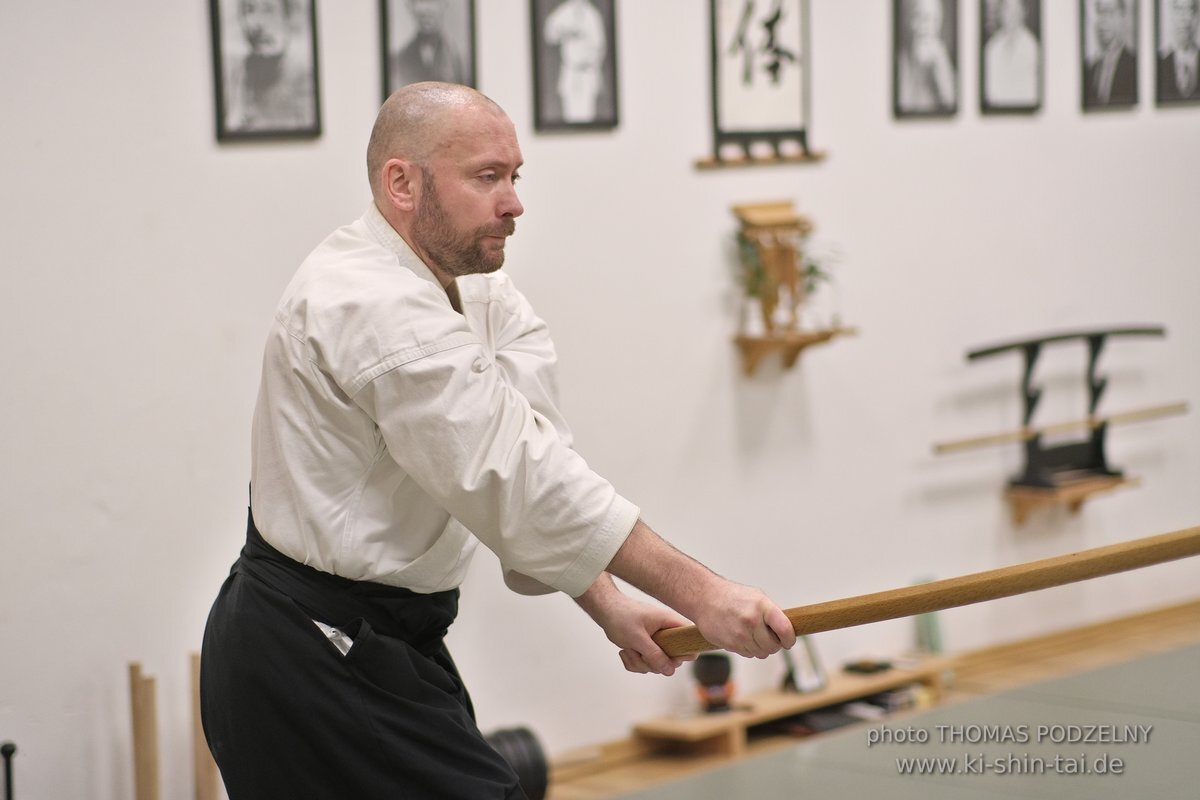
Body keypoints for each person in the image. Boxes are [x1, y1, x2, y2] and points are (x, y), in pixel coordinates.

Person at [200, 81, 796, 799]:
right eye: (486, 177)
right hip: (309, 651)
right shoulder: (365, 301)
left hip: (388, 640)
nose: (513, 202)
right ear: (402, 183)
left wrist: (606, 602)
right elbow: (515, 477)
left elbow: (534, 470)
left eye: (514, 177)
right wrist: (705, 593)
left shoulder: (478, 289)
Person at [223, 0, 316, 132]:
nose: (256, 24)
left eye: (268, 9)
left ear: (288, 17)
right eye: (249, 10)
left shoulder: (305, 77)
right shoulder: (236, 75)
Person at [543, 0, 607, 122]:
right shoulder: (564, 12)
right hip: (571, 72)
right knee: (570, 115)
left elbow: (600, 47)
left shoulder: (593, 15)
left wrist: (589, 60)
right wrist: (568, 31)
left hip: (587, 73)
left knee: (587, 116)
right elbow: (550, 34)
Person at [389, 0, 469, 89]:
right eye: (420, 1)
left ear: (444, 4)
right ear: (410, 6)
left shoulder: (459, 57)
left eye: (432, 1)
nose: (427, 10)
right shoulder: (399, 59)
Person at [896, 0, 957, 114]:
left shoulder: (942, 59)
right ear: (910, 20)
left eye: (933, 20)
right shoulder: (901, 60)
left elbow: (952, 103)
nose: (926, 27)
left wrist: (940, 66)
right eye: (919, 17)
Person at [983, 0, 1040, 108]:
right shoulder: (992, 47)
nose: (1010, 16)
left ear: (1023, 12)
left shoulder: (1032, 48)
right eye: (1006, 9)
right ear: (1000, 13)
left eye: (1015, 10)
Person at [1084, 0, 1138, 107]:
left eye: (1108, 12)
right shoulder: (1091, 69)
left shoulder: (1134, 65)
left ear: (1123, 18)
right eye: (1100, 13)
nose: (1102, 21)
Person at [1157, 0, 1200, 101]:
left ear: (1197, 16)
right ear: (1172, 15)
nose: (1185, 18)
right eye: (1179, 10)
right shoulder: (1160, 65)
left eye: (1190, 10)